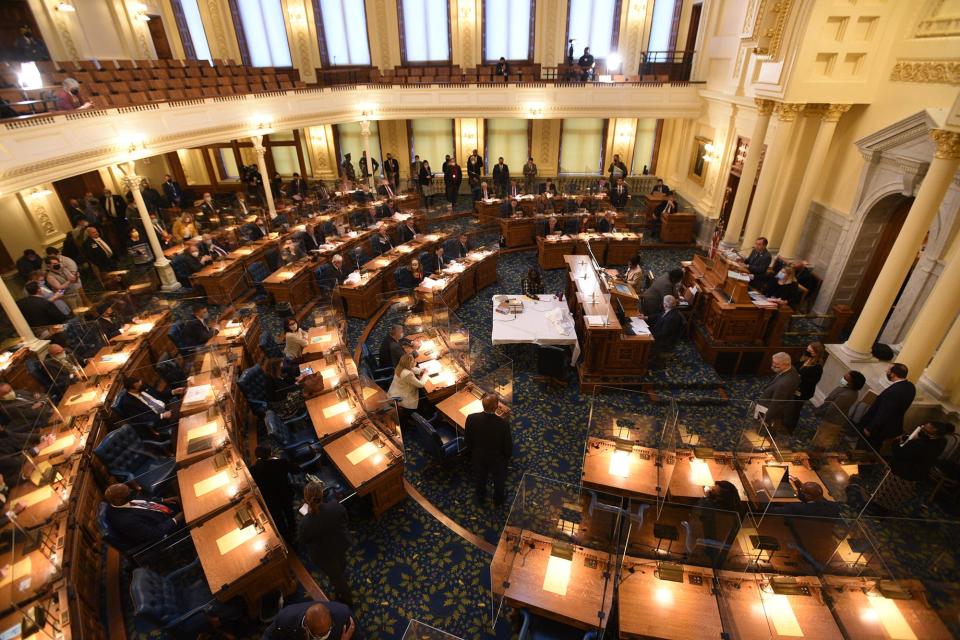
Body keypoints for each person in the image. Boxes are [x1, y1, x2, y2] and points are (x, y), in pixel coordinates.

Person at [872, 421, 952, 511]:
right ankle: (887, 508)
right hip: (917, 472)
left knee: (888, 491)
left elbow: (899, 453)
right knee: (899, 494)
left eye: (926, 431)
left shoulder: (920, 445)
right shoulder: (942, 441)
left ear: (935, 435)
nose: (922, 430)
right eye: (923, 427)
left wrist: (897, 441)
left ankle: (879, 507)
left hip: (903, 471)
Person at [298, 481, 355, 606]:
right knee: (341, 564)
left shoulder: (304, 523)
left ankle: (348, 601)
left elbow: (303, 541)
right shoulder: (335, 506)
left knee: (337, 579)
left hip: (323, 555)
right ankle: (341, 573)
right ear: (322, 494)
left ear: (306, 500)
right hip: (341, 544)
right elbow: (345, 520)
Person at [464, 393, 512, 505]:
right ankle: (498, 500)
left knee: (480, 478)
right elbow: (507, 446)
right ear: (496, 407)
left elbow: (468, 439)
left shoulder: (471, 418)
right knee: (499, 480)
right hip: (497, 460)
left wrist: (473, 453)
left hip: (478, 457)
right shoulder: (503, 424)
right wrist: (506, 458)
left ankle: (480, 497)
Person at [859, 363, 916, 451]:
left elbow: (884, 413)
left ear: (893, 374)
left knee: (865, 449)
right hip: (891, 426)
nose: (886, 371)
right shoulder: (910, 387)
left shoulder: (894, 391)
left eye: (888, 369)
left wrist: (870, 428)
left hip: (879, 429)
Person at [102, 484, 181, 547]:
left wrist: (162, 500)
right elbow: (154, 533)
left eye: (129, 489)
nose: (131, 491)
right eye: (128, 492)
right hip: (167, 527)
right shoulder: (127, 522)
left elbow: (142, 501)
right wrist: (176, 518)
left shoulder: (117, 502)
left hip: (165, 511)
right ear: (119, 500)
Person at [250, 445, 299, 541]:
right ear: (270, 453)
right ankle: (293, 530)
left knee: (278, 519)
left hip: (270, 499)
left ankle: (286, 538)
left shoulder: (253, 470)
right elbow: (296, 470)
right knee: (289, 513)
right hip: (285, 494)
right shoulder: (281, 463)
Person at [812, 370, 865, 450]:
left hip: (833, 421)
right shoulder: (847, 389)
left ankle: (815, 457)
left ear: (851, 383)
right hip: (831, 419)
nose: (842, 379)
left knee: (822, 442)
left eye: (845, 378)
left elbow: (832, 409)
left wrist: (818, 412)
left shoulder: (846, 395)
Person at [116, 375, 184, 435]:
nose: (142, 385)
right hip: (160, 420)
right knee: (185, 416)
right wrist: (162, 416)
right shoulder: (128, 403)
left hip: (169, 408)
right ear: (131, 389)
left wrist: (173, 392)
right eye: (139, 385)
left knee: (187, 405)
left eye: (140, 382)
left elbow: (160, 395)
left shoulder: (143, 387)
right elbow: (141, 419)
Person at [262, 600, 358, 640]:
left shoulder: (343, 614)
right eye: (320, 635)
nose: (326, 635)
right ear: (306, 628)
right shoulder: (286, 617)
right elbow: (269, 635)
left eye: (329, 628)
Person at [759, 352, 801, 434]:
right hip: (775, 408)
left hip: (772, 414)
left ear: (786, 364)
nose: (773, 365)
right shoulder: (791, 369)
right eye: (773, 362)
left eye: (776, 364)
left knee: (765, 433)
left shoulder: (784, 384)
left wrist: (765, 418)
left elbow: (777, 403)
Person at [387, 353, 428, 420]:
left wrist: (421, 370)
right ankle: (423, 411)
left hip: (395, 392)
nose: (415, 362)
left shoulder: (400, 367)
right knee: (426, 393)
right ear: (410, 363)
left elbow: (412, 369)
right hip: (404, 397)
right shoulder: (408, 374)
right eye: (414, 361)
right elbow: (421, 385)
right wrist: (425, 374)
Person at [768, 480, 840, 517]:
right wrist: (801, 486)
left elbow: (770, 511)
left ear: (808, 496)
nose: (799, 492)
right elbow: (817, 495)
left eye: (801, 491)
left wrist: (760, 491)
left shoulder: (796, 508)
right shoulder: (832, 506)